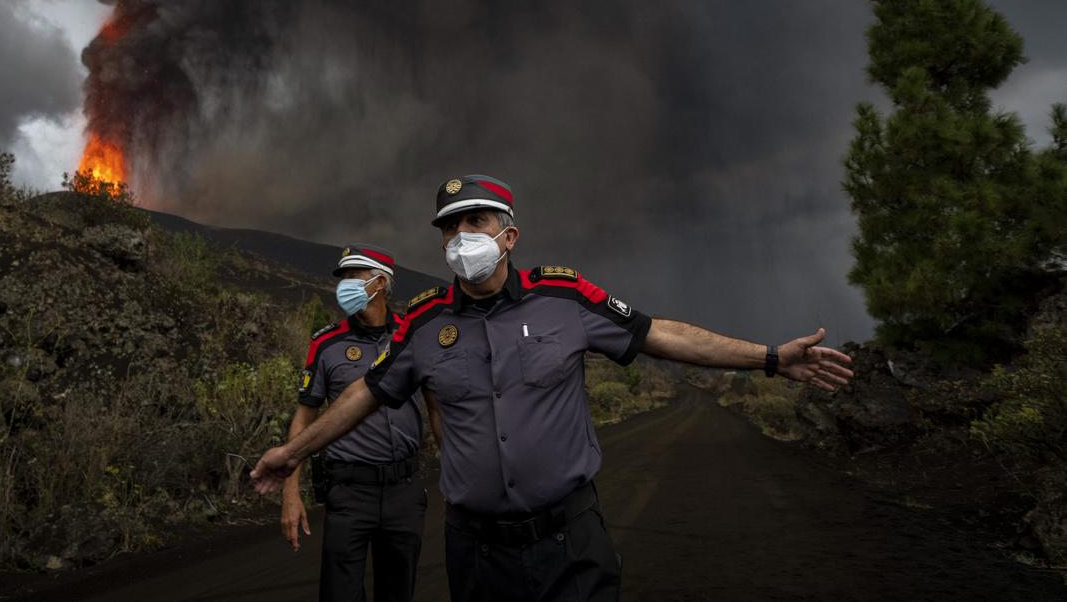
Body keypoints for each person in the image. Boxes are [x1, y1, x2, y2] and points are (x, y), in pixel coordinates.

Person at [254, 176, 854, 602]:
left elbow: (659, 334)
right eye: (450, 227)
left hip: (570, 541)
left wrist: (770, 358)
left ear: (509, 236)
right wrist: (291, 455)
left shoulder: (564, 298)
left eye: (476, 222)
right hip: (476, 551)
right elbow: (366, 394)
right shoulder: (422, 321)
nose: (461, 236)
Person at [281, 243, 441, 602]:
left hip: (404, 490)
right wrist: (290, 493)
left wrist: (460, 474)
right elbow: (304, 416)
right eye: (342, 277)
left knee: (397, 592)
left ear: (381, 283)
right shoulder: (326, 344)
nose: (344, 284)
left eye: (355, 276)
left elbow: (436, 409)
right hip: (349, 492)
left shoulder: (414, 338)